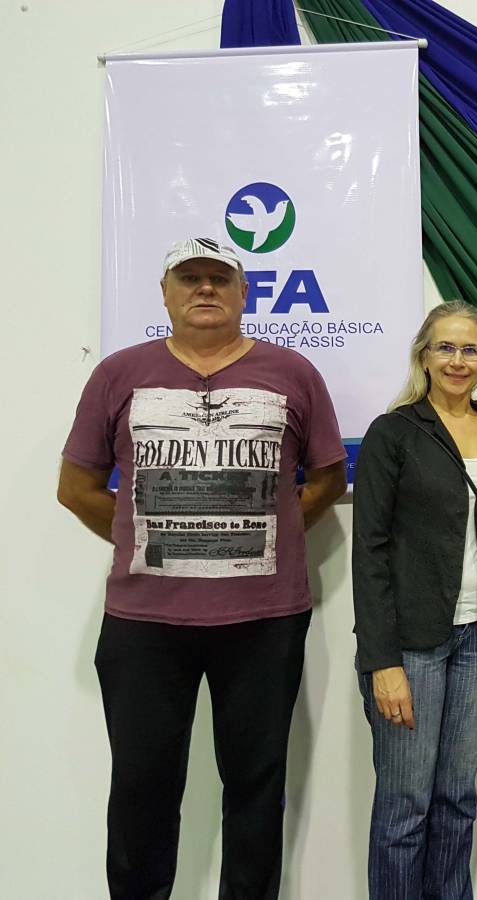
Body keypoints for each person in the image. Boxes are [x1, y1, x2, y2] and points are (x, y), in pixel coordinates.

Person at [57, 237, 347, 899]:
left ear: (245, 293)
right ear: (165, 294)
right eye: (190, 278)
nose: (205, 289)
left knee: (256, 786)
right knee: (141, 788)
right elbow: (76, 488)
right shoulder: (118, 374)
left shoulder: (294, 373)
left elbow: (327, 480)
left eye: (220, 278)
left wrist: (262, 529)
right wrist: (144, 536)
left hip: (265, 620)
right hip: (144, 624)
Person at [352, 300, 477, 900]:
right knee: (405, 806)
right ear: (424, 357)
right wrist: (382, 662)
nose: (458, 360)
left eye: (469, 349)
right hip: (410, 646)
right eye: (445, 348)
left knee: (457, 799)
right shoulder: (394, 432)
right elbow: (369, 550)